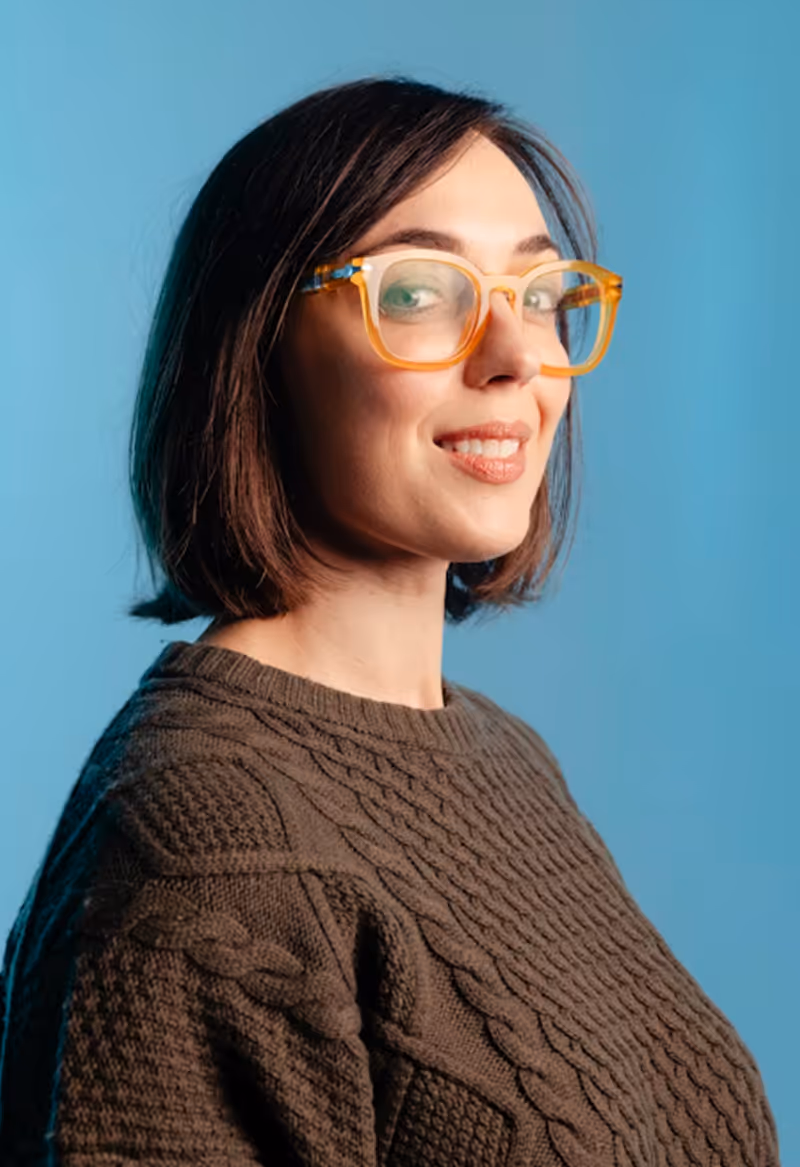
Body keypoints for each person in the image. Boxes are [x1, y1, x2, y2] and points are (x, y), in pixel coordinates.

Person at [0, 76, 780, 1166]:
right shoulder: (202, 841)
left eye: (539, 292)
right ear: (256, 347)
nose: (515, 357)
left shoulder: (505, 757)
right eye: (418, 291)